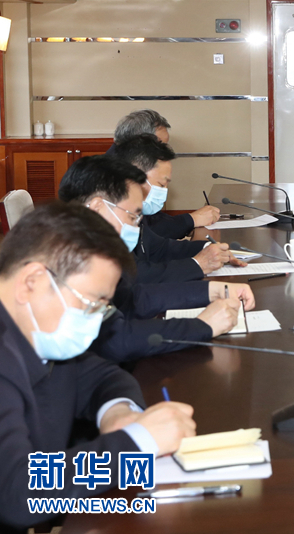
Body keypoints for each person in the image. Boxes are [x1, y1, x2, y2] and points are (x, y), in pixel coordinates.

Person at [0, 202, 196, 532]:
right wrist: (138, 443)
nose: (93, 321)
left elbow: (100, 376)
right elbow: (17, 492)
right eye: (92, 304)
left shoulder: (39, 335)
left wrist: (117, 412)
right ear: (31, 281)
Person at [58, 156, 253, 362]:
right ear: (98, 207)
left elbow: (133, 299)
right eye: (132, 216)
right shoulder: (66, 258)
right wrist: (203, 325)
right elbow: (116, 339)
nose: (136, 225)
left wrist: (211, 291)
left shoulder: (93, 247)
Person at [111, 110, 220, 239]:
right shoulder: (108, 179)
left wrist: (187, 225)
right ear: (136, 144)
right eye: (159, 145)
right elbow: (144, 233)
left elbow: (152, 219)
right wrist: (191, 220)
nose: (163, 151)